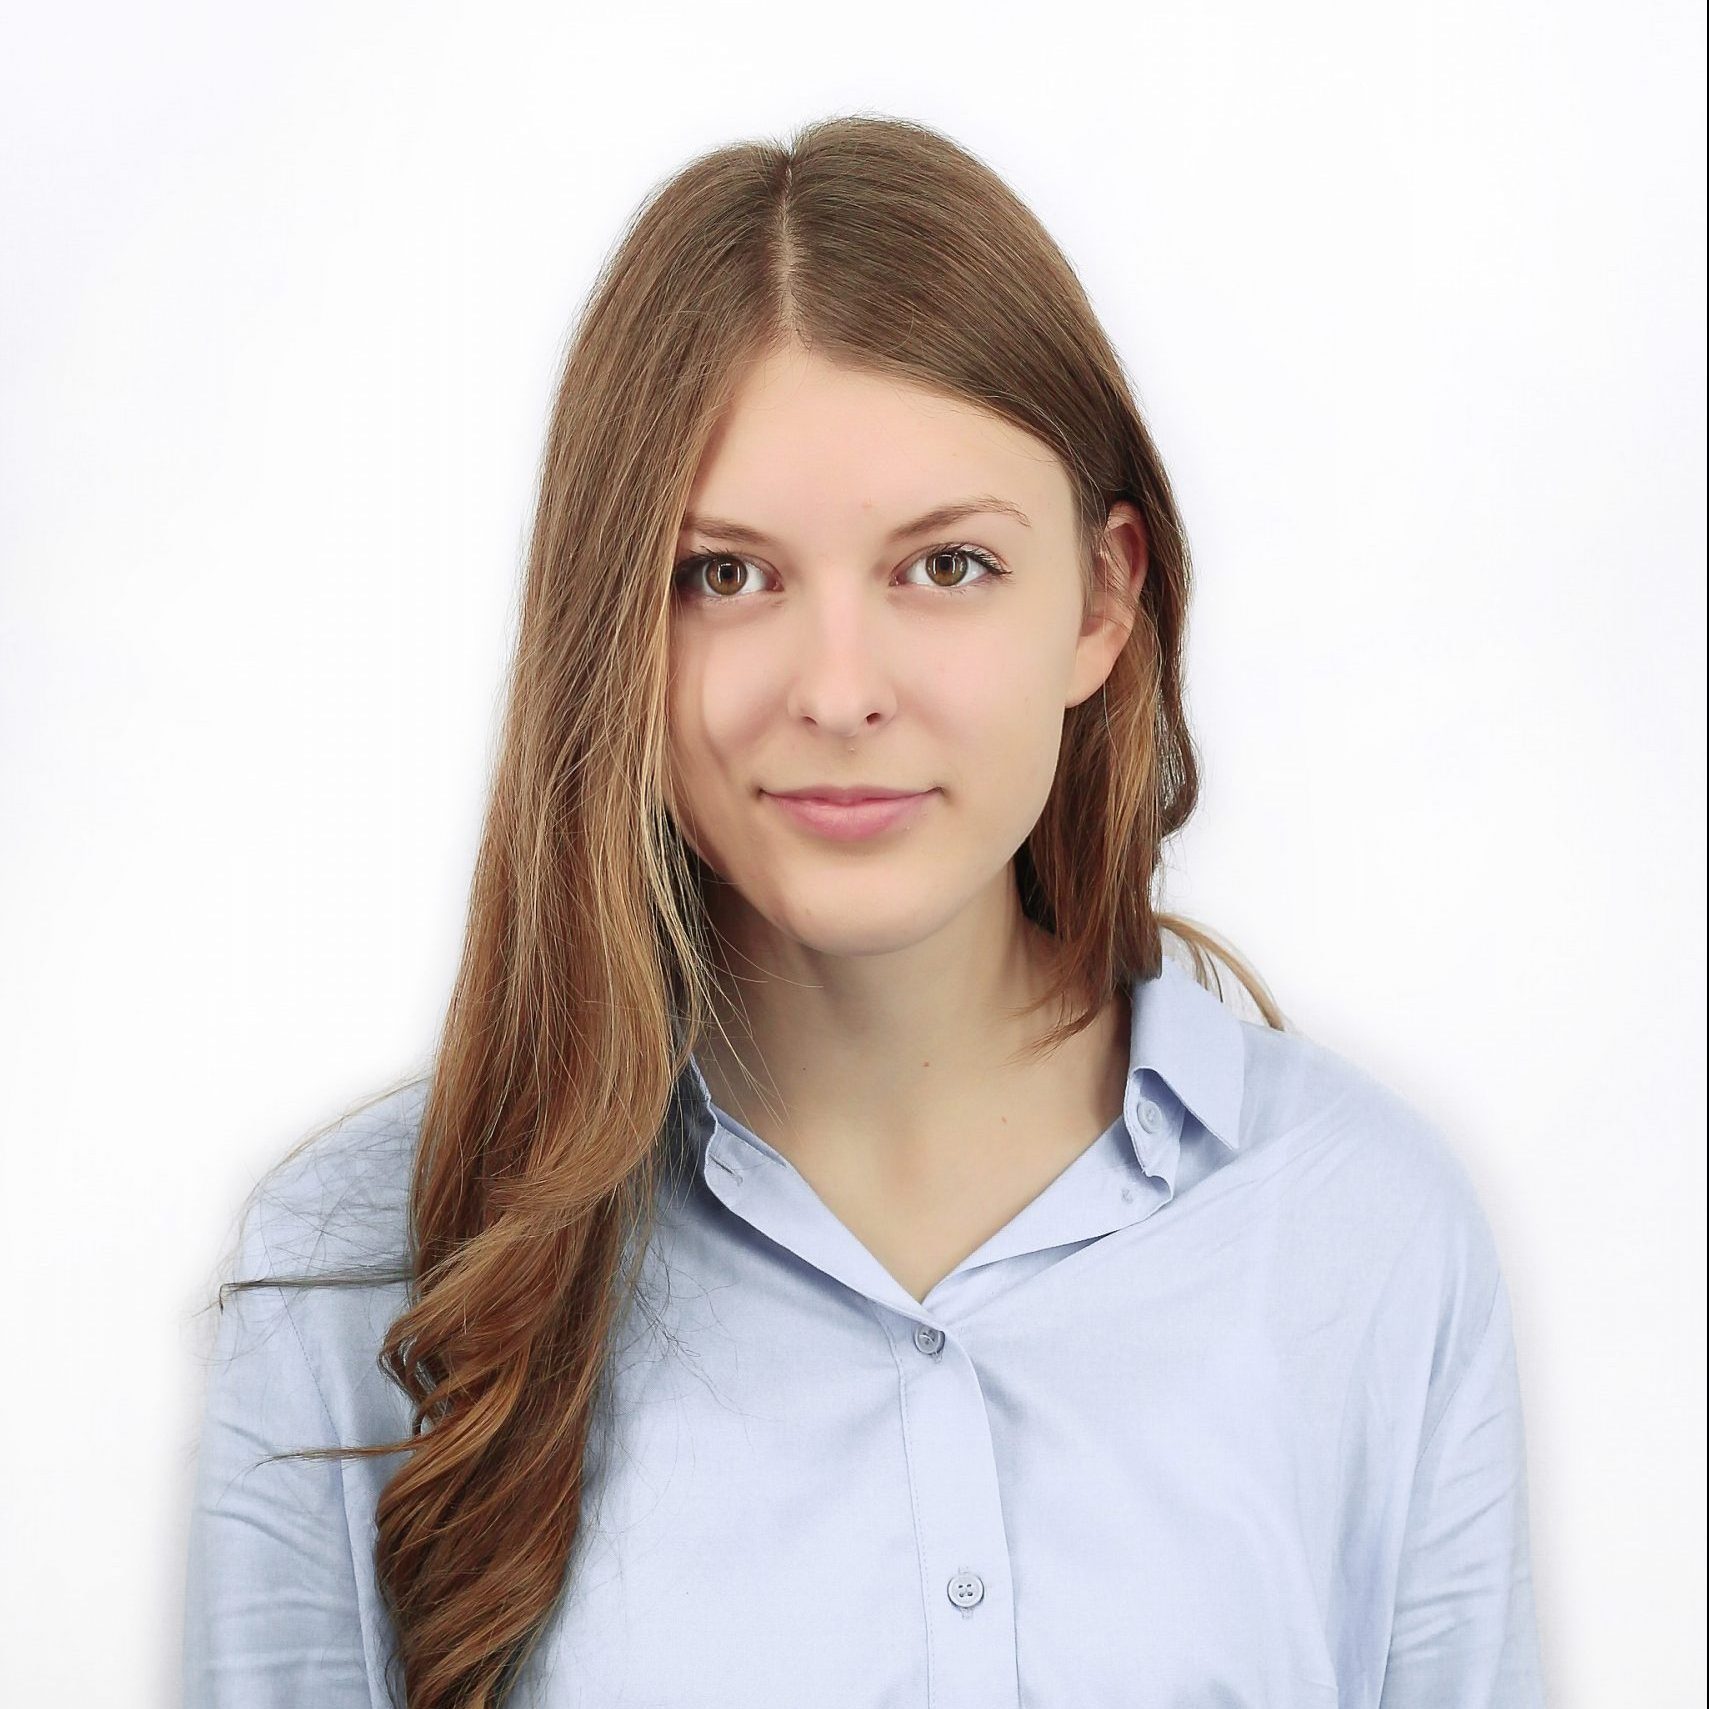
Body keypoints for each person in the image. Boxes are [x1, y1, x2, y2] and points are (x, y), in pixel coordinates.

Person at [181, 114, 1547, 1709]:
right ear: (609, 616)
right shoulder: (371, 1264)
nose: (838, 691)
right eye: (725, 576)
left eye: (946, 567)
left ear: (1103, 600)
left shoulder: (1362, 1226)